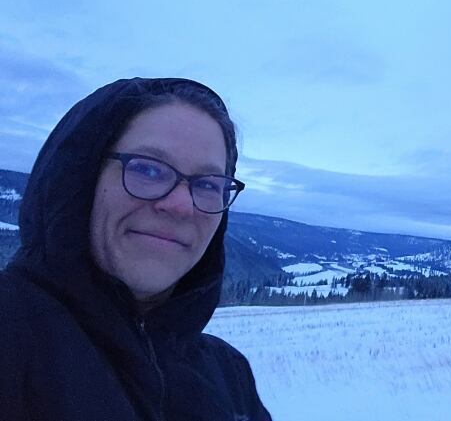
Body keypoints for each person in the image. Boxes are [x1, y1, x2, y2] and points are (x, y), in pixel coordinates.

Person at [0, 77, 272, 420]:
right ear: (80, 178)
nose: (181, 205)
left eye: (207, 184)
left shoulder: (228, 377)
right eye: (148, 169)